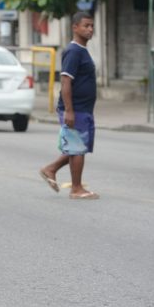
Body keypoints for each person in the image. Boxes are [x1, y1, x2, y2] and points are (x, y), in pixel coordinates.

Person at [39, 11, 99, 200]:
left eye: (92, 26)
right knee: (78, 148)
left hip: (83, 108)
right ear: (75, 27)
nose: (90, 29)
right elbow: (65, 82)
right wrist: (69, 111)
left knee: (78, 146)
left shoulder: (82, 50)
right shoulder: (74, 51)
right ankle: (76, 189)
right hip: (76, 108)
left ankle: (51, 169)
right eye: (86, 25)